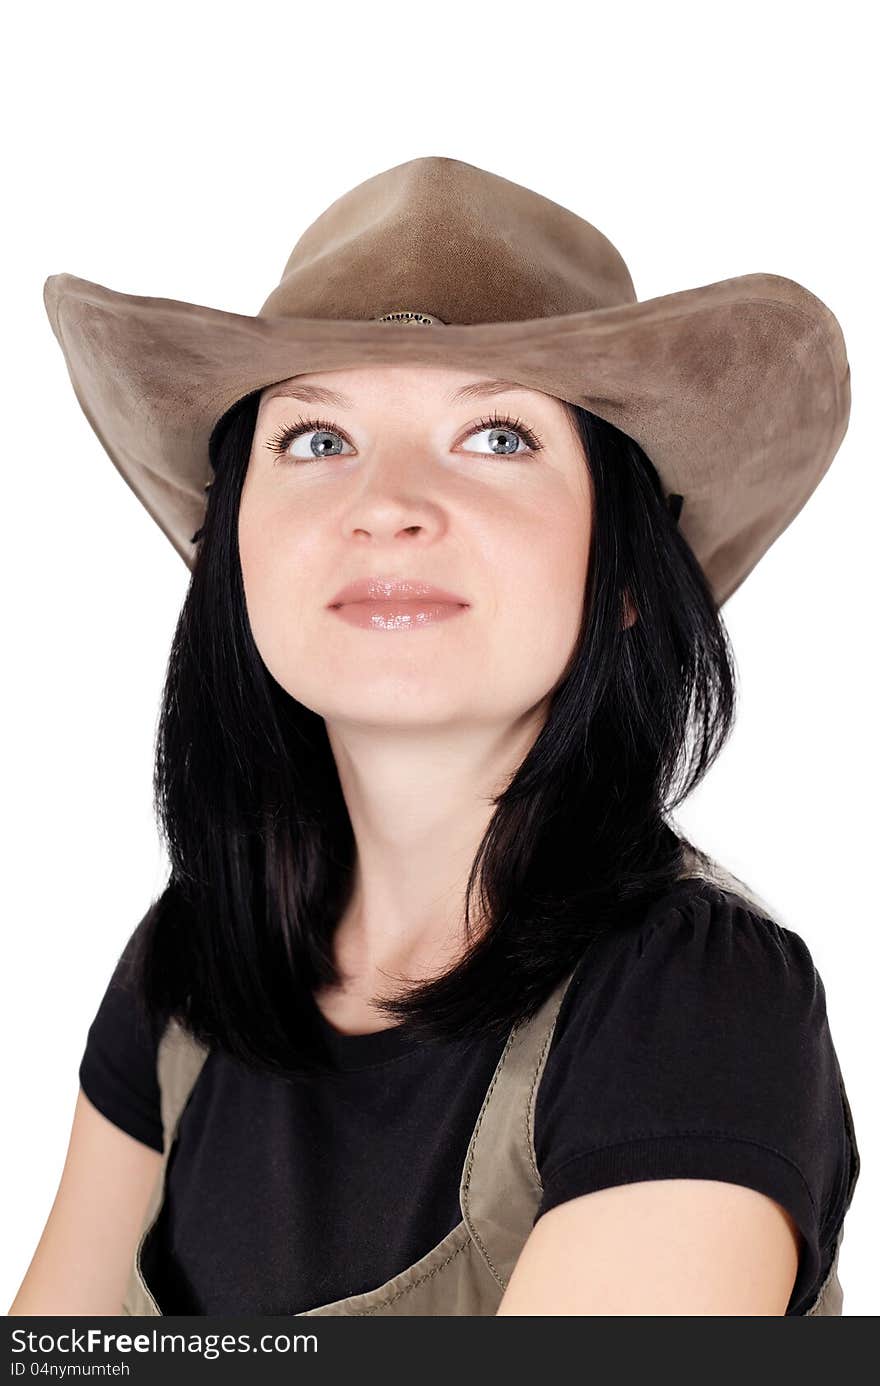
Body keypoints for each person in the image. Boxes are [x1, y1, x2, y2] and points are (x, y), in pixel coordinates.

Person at [12, 157, 859, 1317]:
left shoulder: (691, 1004)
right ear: (229, 552)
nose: (388, 502)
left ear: (625, 572)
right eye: (316, 442)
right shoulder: (190, 962)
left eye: (498, 437)